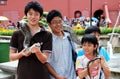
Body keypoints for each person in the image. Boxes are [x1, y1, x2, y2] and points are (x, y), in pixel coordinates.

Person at [9, 1, 52, 79]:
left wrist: (37, 51)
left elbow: (44, 60)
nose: (33, 17)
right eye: (30, 14)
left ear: (40, 17)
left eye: (36, 14)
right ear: (26, 15)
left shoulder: (47, 35)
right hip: (23, 75)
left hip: (41, 75)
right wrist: (22, 54)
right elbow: (11, 57)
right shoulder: (17, 34)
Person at [46, 10, 77, 79]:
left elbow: (74, 54)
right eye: (54, 22)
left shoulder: (69, 37)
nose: (58, 24)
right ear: (49, 24)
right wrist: (57, 76)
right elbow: (46, 62)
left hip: (72, 76)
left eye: (60, 21)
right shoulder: (48, 41)